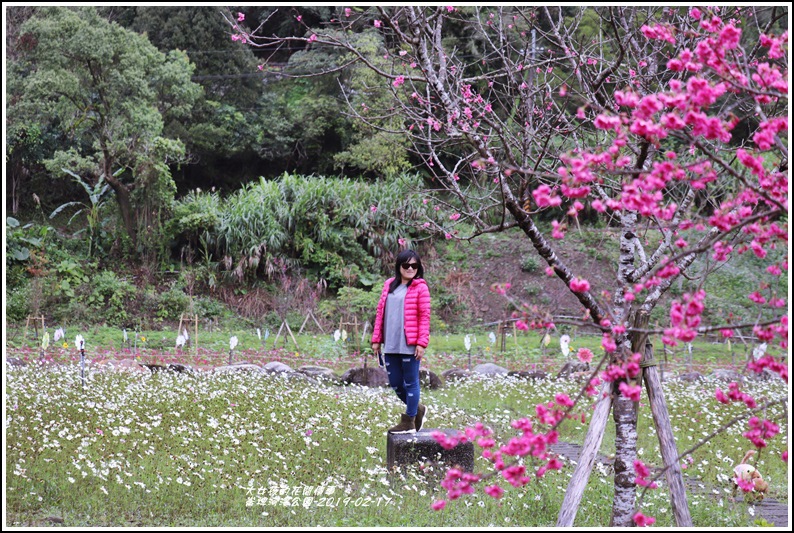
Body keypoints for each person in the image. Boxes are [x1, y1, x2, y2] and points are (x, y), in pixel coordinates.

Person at [371, 250, 431, 434]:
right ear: (399, 266)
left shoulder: (421, 287)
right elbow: (380, 313)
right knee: (396, 383)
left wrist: (421, 343)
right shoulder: (389, 285)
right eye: (406, 265)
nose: (410, 268)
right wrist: (376, 340)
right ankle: (418, 409)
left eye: (414, 265)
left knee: (411, 382)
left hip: (410, 344)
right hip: (390, 342)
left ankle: (409, 420)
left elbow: (424, 316)